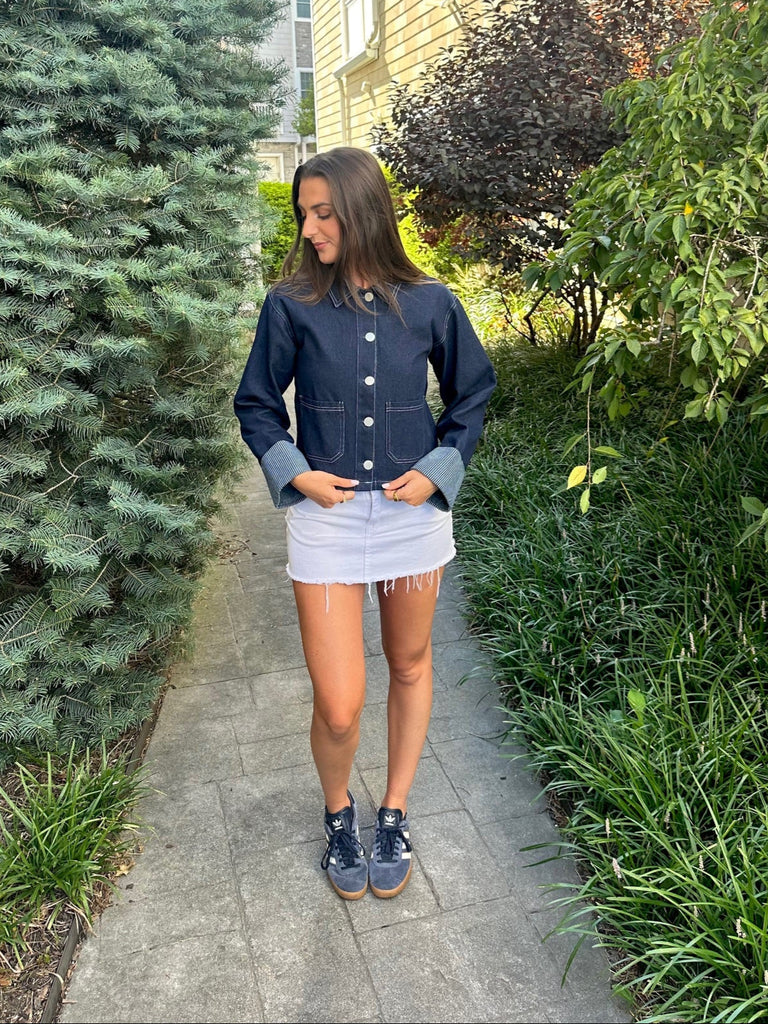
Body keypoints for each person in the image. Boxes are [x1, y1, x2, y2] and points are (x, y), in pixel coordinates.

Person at [234, 147, 496, 900]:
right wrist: (296, 472)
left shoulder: (431, 303)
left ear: (363, 210)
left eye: (323, 213)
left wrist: (441, 467)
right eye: (303, 214)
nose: (309, 229)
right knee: (340, 702)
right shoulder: (290, 304)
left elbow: (473, 392)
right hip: (329, 520)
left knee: (409, 664)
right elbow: (256, 403)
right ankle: (338, 812)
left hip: (413, 520)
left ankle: (394, 812)